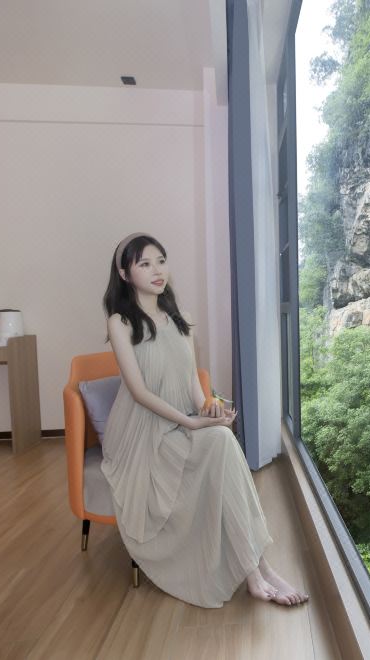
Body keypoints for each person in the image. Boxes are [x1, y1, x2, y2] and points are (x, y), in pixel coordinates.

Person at [100, 232, 310, 608]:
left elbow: (192, 383)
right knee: (220, 443)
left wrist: (210, 410)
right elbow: (139, 392)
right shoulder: (121, 321)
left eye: (161, 260)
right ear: (125, 273)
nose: (157, 270)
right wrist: (192, 423)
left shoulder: (181, 319)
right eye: (144, 264)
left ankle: (258, 568)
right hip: (142, 433)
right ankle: (256, 569)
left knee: (223, 440)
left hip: (182, 421)